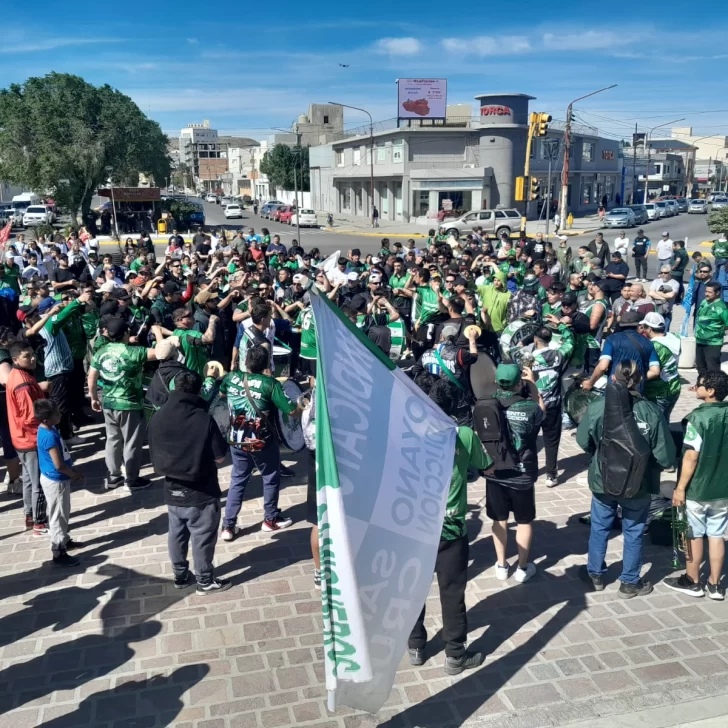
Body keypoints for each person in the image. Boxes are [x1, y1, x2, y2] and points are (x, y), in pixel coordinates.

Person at [408, 378, 493, 675]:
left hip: (415, 528)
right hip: (452, 529)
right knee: (453, 591)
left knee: (414, 589)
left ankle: (416, 645)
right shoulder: (465, 435)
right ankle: (455, 654)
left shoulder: (409, 435)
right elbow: (486, 465)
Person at [578, 360, 676, 598]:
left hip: (604, 479)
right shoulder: (650, 411)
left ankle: (595, 575)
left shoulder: (598, 407)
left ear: (613, 379)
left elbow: (583, 441)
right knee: (634, 530)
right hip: (639, 483)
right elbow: (665, 455)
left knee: (600, 527)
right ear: (640, 380)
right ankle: (630, 582)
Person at [148, 369, 231, 595]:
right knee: (202, 537)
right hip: (201, 491)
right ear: (197, 391)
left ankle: (180, 575)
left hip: (171, 489)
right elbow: (220, 457)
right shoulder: (203, 419)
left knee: (176, 533)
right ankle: (204, 581)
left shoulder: (158, 415)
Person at [219, 345, 302, 539]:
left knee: (238, 479)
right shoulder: (270, 384)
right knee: (271, 477)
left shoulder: (231, 377)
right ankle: (270, 519)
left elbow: (223, 394)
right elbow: (291, 412)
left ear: (246, 361)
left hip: (237, 439)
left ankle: (228, 526)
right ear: (266, 364)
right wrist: (300, 406)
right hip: (261, 442)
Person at [665, 371, 728, 600]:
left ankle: (692, 580)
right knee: (717, 534)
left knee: (693, 534)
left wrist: (680, 488)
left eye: (699, 384)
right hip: (723, 488)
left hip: (698, 488)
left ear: (710, 391)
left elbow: (691, 456)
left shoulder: (697, 418)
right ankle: (715, 584)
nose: (696, 388)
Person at [485, 363, 544, 584]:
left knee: (499, 520)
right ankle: (522, 568)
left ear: (497, 382)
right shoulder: (529, 407)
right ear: (520, 382)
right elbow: (542, 414)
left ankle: (501, 565)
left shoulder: (485, 404)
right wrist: (534, 385)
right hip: (522, 473)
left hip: (495, 471)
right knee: (524, 521)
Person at [87, 317, 157, 491]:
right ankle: (132, 479)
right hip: (130, 404)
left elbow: (92, 376)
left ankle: (113, 476)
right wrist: (158, 333)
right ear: (125, 333)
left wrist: (94, 397)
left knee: (112, 439)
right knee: (131, 442)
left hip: (109, 402)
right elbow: (161, 353)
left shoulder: (101, 351)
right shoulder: (134, 352)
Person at [34, 398, 84, 567]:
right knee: (57, 516)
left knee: (64, 512)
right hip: (56, 481)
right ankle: (58, 551)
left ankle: (65, 539)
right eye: (56, 413)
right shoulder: (48, 436)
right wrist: (73, 474)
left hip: (56, 479)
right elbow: (58, 464)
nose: (60, 414)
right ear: (47, 419)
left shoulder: (49, 428)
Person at [525, 324, 574, 487]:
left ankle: (528, 470)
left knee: (529, 440)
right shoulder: (559, 355)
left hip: (533, 405)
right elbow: (570, 341)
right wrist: (561, 324)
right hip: (553, 404)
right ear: (550, 339)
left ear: (535, 339)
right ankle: (551, 475)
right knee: (551, 441)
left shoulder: (527, 357)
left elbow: (506, 349)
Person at [6, 341, 48, 535]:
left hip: (20, 439)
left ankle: (29, 517)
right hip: (30, 439)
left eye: (32, 354)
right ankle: (40, 522)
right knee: (38, 482)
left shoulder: (16, 375)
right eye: (26, 356)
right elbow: (30, 417)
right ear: (15, 359)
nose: (32, 358)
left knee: (29, 481)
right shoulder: (22, 384)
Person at [583, 310, 660, 395]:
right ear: (638, 325)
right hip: (636, 391)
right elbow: (655, 371)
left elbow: (603, 366)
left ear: (620, 324)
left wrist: (590, 382)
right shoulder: (648, 343)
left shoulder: (611, 339)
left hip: (614, 389)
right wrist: (635, 378)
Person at [640, 312, 681, 422]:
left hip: (659, 392)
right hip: (675, 387)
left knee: (656, 423)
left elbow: (654, 371)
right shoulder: (674, 337)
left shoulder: (654, 346)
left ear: (649, 329)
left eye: (644, 327)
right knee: (664, 420)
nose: (643, 329)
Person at [694, 281, 728, 380]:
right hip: (700, 339)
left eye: (710, 292)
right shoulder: (704, 302)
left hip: (713, 342)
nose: (706, 294)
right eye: (706, 291)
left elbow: (727, 324)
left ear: (717, 293)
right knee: (700, 366)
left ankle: (715, 388)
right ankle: (702, 385)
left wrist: (715, 331)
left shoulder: (722, 308)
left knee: (713, 368)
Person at [648, 265, 680, 331]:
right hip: (655, 311)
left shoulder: (675, 283)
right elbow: (651, 293)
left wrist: (657, 292)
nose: (663, 274)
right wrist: (663, 299)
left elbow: (671, 295)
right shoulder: (656, 281)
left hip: (667, 312)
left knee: (665, 333)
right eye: (661, 272)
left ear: (670, 273)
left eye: (665, 273)